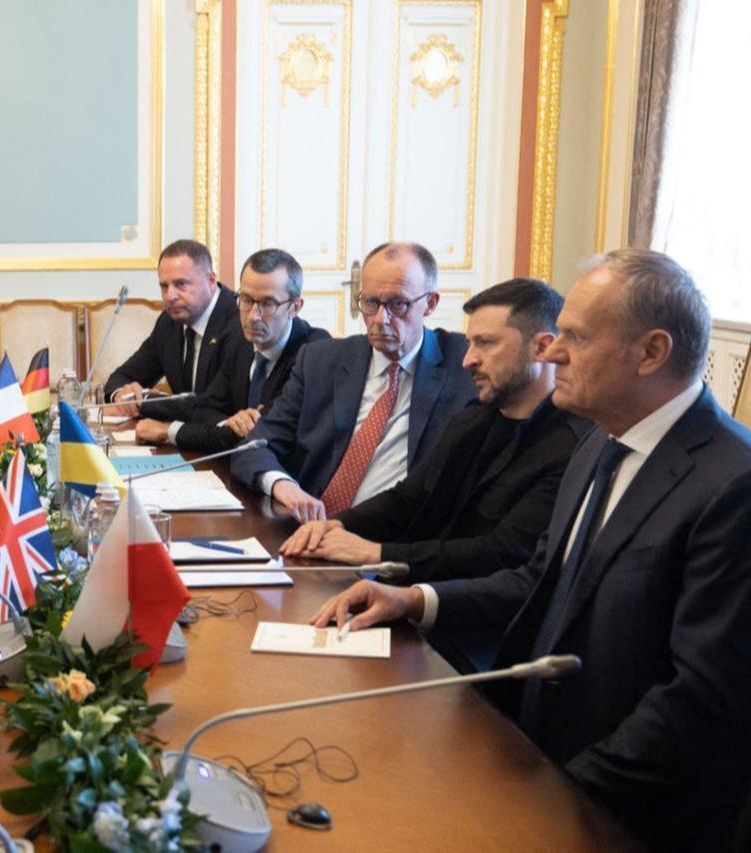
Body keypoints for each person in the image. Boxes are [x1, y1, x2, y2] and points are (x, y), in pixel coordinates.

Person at [312, 249, 751, 851]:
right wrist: (415, 599)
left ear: (651, 352)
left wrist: (558, 796)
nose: (554, 352)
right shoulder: (601, 443)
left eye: (576, 337)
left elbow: (699, 701)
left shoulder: (733, 482)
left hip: (624, 812)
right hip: (535, 748)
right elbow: (539, 580)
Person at [281, 279, 589, 588]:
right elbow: (409, 498)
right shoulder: (473, 419)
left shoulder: (571, 447)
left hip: (463, 608)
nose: (468, 360)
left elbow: (503, 552)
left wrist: (377, 553)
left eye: (486, 343)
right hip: (411, 589)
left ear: (542, 348)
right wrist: (336, 526)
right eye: (469, 343)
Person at [230, 242, 476, 521]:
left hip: (392, 537)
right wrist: (283, 486)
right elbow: (254, 447)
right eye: (370, 303)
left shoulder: (464, 364)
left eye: (398, 304)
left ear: (430, 304)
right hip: (307, 527)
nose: (380, 319)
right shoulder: (320, 361)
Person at [134, 248, 329, 452]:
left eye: (268, 304)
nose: (253, 316)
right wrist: (231, 423)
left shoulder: (314, 353)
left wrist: (168, 431)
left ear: (295, 307)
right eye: (246, 300)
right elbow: (205, 409)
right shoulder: (240, 340)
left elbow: (260, 436)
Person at [104, 239, 243, 420]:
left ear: (210, 280)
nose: (170, 296)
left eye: (181, 284)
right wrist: (122, 394)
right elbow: (122, 376)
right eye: (164, 286)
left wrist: (145, 402)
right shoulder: (169, 322)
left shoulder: (239, 320)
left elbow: (214, 404)